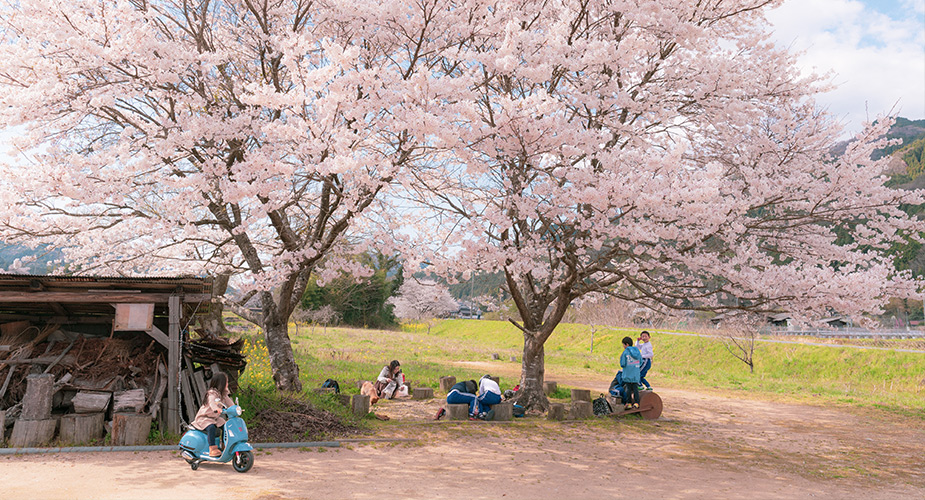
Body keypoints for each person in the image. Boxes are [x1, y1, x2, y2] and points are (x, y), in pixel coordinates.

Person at [190, 372, 235, 457]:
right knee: (211, 427)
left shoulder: (223, 395)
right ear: (221, 383)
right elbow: (212, 402)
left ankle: (224, 444)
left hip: (214, 418)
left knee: (226, 425)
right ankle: (212, 449)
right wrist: (216, 408)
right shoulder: (212, 394)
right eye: (226, 382)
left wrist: (235, 409)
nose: (227, 384)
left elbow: (230, 403)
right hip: (204, 418)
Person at [619, 336, 642, 410]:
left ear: (627, 344)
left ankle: (628, 403)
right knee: (635, 388)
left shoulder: (625, 352)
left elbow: (623, 363)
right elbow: (641, 362)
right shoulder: (637, 351)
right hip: (635, 373)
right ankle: (636, 403)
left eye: (624, 345)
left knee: (628, 388)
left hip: (628, 373)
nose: (623, 347)